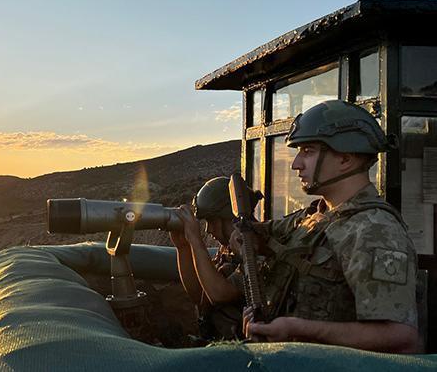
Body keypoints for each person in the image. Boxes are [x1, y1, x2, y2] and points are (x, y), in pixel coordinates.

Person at [237, 100, 420, 353]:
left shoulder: (374, 230)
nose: (296, 164)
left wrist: (297, 330)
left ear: (345, 159)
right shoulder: (316, 215)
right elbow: (260, 236)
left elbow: (401, 338)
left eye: (308, 151)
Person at [169, 176, 262, 342]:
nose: (208, 229)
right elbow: (199, 295)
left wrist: (196, 241)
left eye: (211, 221)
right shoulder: (228, 251)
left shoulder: (256, 248)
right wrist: (183, 247)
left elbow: (219, 294)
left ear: (229, 217)